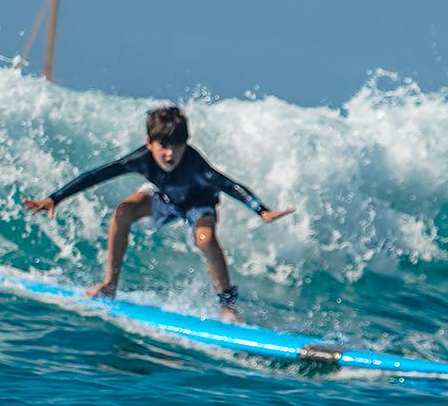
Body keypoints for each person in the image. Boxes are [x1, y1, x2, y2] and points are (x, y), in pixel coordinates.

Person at [23, 105, 295, 318]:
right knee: (123, 211)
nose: (169, 154)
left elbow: (228, 184)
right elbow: (98, 174)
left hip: (198, 205)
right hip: (164, 198)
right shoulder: (140, 159)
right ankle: (109, 284)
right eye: (163, 146)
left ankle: (227, 305)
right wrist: (55, 198)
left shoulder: (195, 165)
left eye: (177, 146)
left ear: (185, 144)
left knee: (206, 240)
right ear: (149, 142)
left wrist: (261, 210)